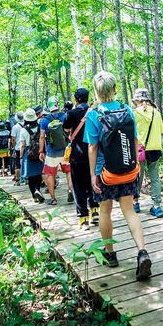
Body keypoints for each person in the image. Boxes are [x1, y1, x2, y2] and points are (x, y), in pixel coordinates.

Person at [84, 71, 151, 281]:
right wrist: (133, 166)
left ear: (96, 91)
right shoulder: (127, 110)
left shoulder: (94, 115)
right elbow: (134, 141)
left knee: (105, 211)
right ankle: (142, 252)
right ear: (114, 89)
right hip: (128, 170)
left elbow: (93, 148)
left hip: (106, 173)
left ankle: (110, 255)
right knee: (129, 211)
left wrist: (93, 174)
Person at [63, 88, 99, 229]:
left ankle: (83, 219)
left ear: (76, 99)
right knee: (93, 183)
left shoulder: (71, 113)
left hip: (77, 155)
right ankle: (95, 212)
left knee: (78, 187)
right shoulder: (94, 112)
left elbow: (65, 129)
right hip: (94, 154)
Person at [132, 88, 163, 218]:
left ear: (138, 100)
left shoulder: (135, 113)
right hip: (155, 149)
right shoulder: (156, 112)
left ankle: (135, 203)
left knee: (137, 176)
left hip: (139, 150)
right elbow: (161, 130)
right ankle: (157, 206)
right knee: (155, 177)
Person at [39, 96, 70, 205]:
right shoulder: (64, 116)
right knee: (68, 172)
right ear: (58, 104)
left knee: (50, 174)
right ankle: (70, 190)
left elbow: (42, 137)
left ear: (48, 106)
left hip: (51, 152)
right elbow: (68, 131)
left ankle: (53, 199)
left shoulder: (44, 120)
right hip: (65, 150)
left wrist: (41, 151)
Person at [19, 108, 45, 203]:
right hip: (39, 152)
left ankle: (34, 195)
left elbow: (22, 145)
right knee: (38, 174)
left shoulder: (23, 130)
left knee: (30, 176)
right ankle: (38, 189)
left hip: (28, 153)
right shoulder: (40, 126)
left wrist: (21, 157)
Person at [10, 111, 25, 185]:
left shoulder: (15, 127)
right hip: (26, 147)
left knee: (17, 164)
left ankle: (18, 179)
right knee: (25, 163)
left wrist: (14, 145)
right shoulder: (26, 125)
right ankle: (26, 178)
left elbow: (13, 139)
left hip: (18, 148)